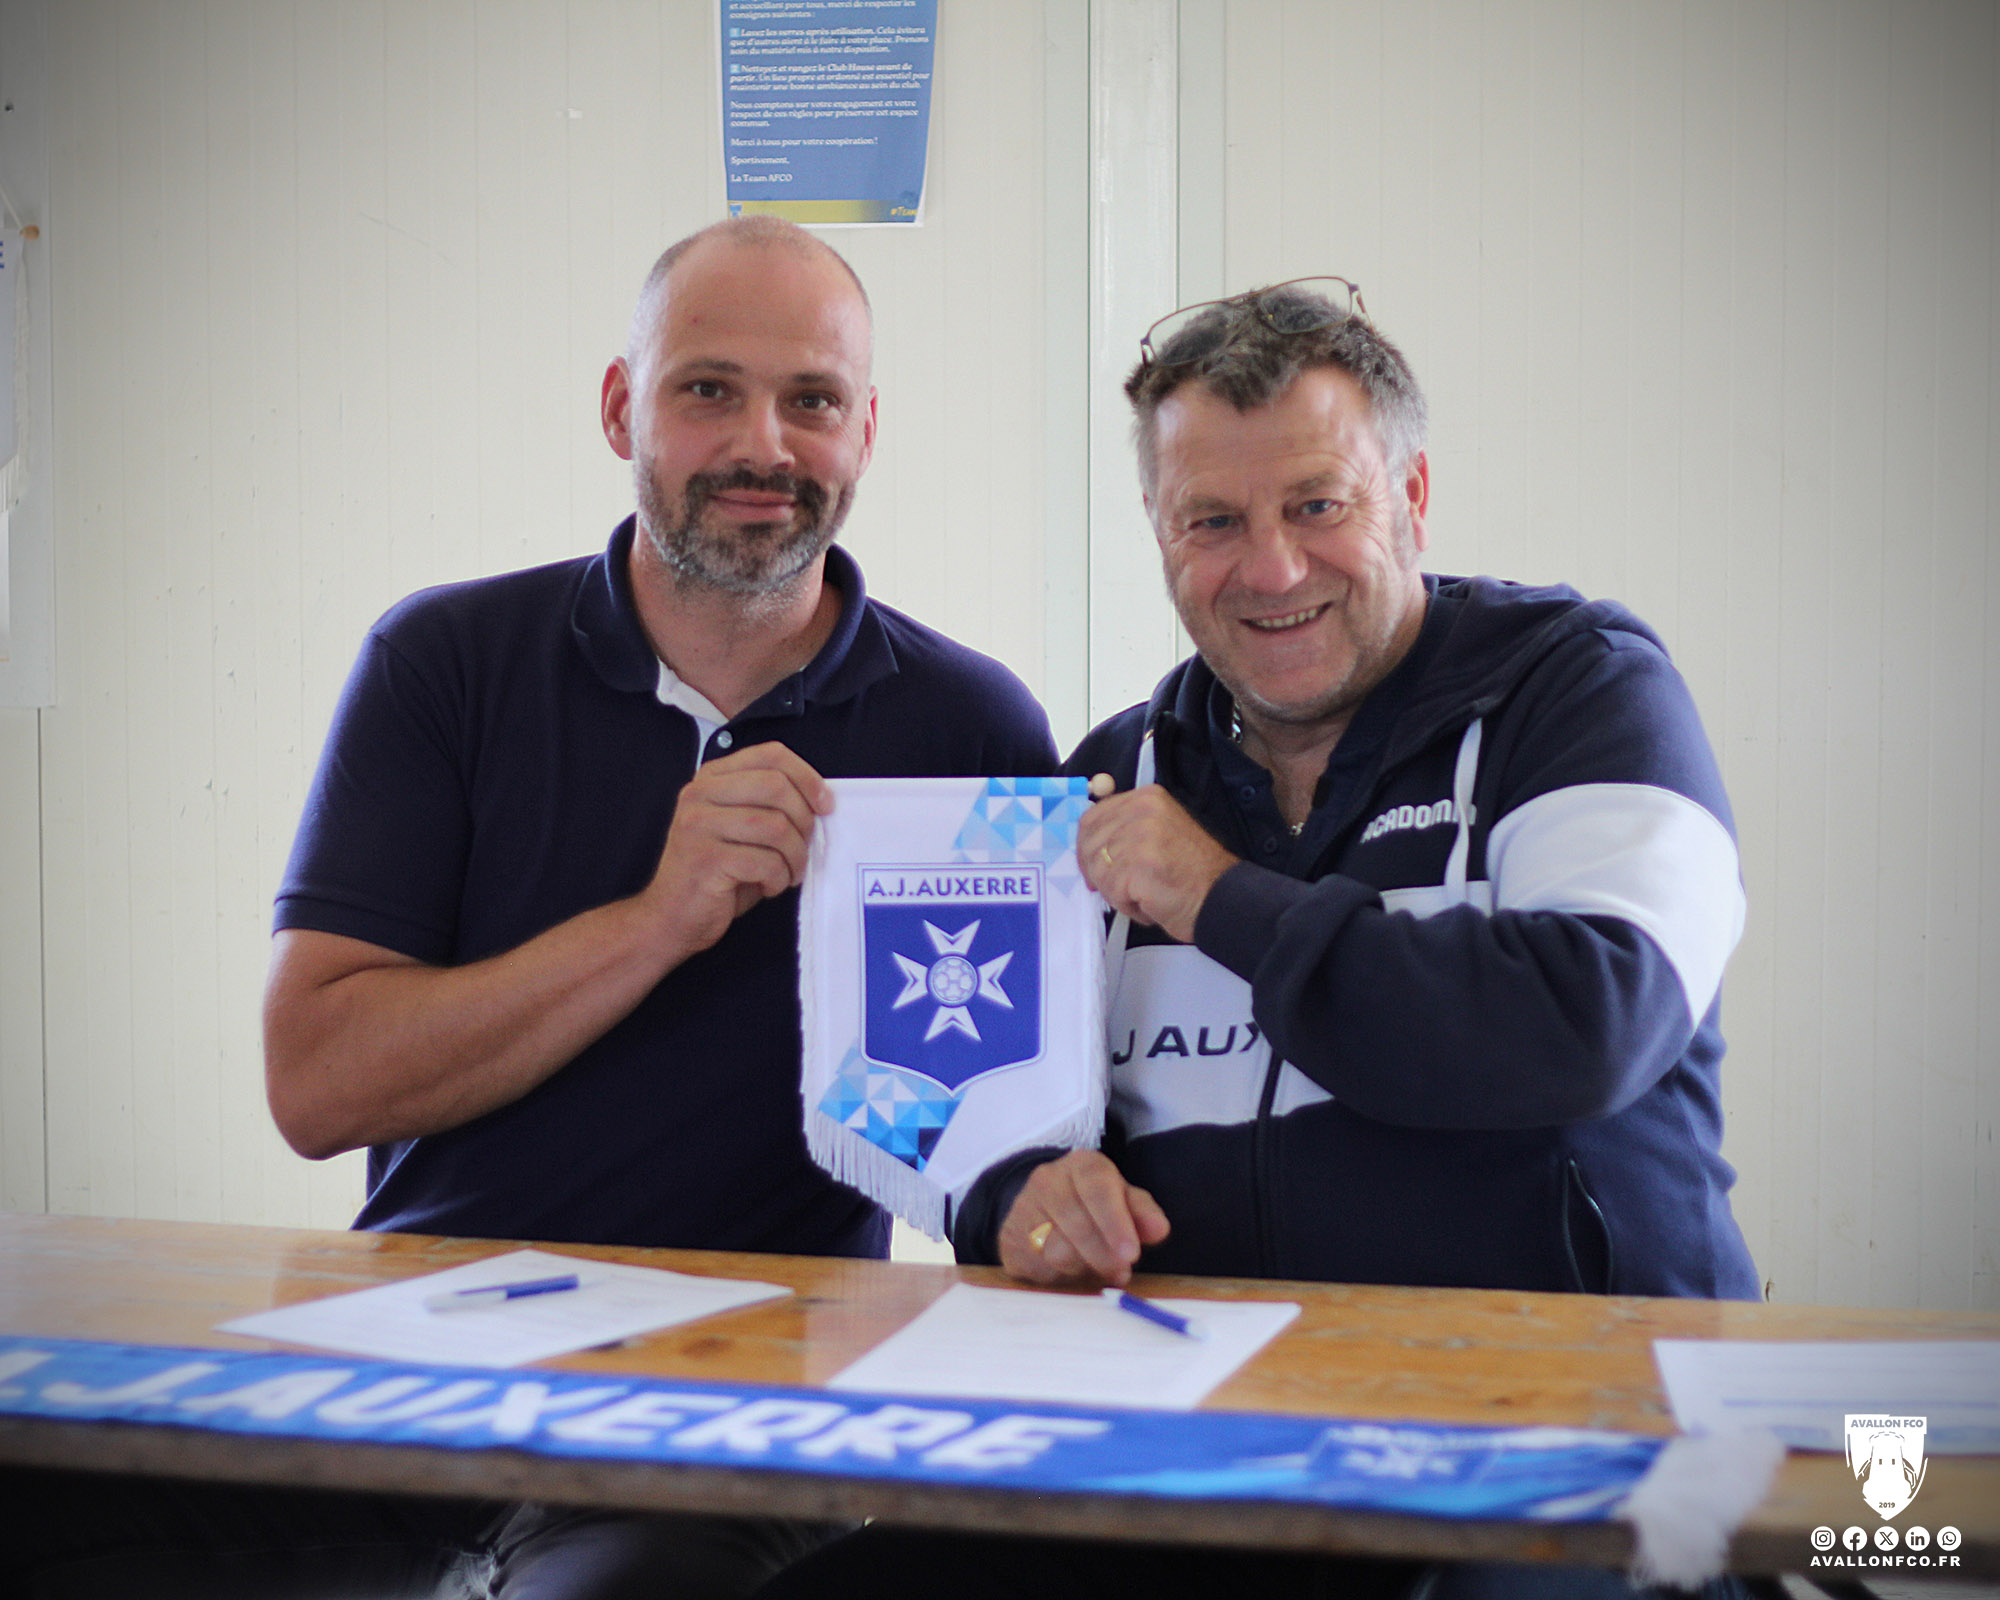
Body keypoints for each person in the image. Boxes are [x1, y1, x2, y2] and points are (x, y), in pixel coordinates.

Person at [10, 218, 1055, 1600]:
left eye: (812, 400)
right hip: (406, 1368)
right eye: (708, 389)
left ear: (866, 431)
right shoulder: (445, 662)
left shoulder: (970, 730)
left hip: (730, 1410)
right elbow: (317, 1086)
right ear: (622, 408)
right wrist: (658, 920)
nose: (764, 444)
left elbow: (994, 1136)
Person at [753, 278, 1756, 1599]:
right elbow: (934, 1094)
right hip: (1200, 1458)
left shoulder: (1579, 691)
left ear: (1412, 494)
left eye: (1318, 506)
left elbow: (1595, 1019)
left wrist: (1221, 899)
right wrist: (1013, 1196)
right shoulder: (1112, 779)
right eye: (1213, 521)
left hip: (1575, 1436)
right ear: (1160, 532)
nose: (1272, 569)